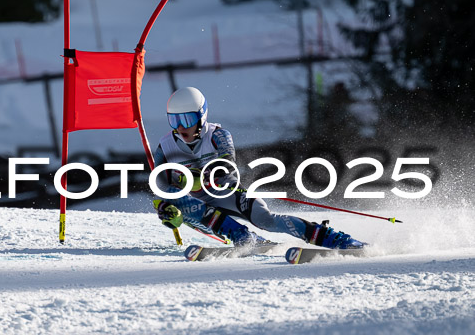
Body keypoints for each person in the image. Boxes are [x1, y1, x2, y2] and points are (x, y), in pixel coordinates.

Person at [152, 87, 365, 249]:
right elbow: (160, 189)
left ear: (201, 115)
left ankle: (334, 239)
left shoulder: (217, 135)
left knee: (267, 219)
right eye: (174, 120)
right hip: (196, 209)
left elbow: (227, 164)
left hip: (226, 194)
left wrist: (201, 178)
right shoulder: (165, 147)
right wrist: (167, 212)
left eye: (187, 119)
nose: (180, 127)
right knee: (175, 196)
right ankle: (242, 237)